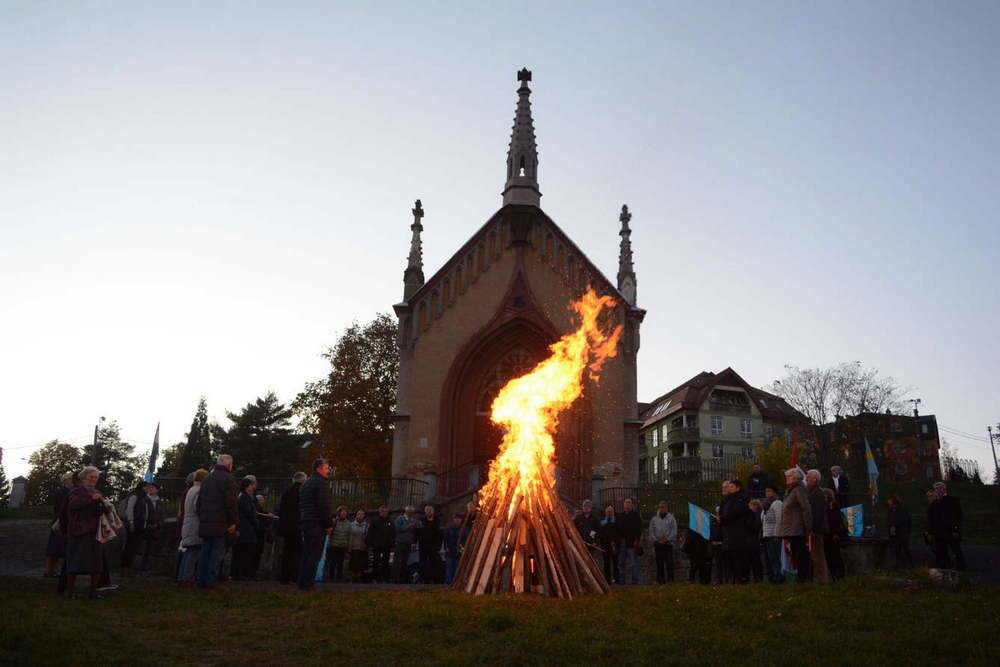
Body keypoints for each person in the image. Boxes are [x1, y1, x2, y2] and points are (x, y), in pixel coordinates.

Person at [65, 466, 110, 599]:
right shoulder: (76, 491)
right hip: (79, 531)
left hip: (94, 532)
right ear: (84, 478)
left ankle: (93, 592)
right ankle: (70, 592)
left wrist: (105, 506)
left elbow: (100, 511)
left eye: (96, 477)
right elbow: (74, 505)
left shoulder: (96, 492)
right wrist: (93, 499)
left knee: (96, 563)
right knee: (74, 562)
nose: (94, 480)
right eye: (91, 477)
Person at [196, 454, 239, 589]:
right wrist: (233, 522)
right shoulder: (229, 479)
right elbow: (230, 502)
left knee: (205, 552)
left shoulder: (207, 478)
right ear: (229, 465)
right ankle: (211, 581)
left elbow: (199, 502)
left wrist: (202, 516)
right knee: (216, 553)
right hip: (220, 522)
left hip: (205, 521)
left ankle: (200, 580)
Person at [298, 458, 333, 590]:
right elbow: (324, 506)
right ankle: (308, 583)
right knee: (314, 554)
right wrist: (328, 524)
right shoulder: (321, 484)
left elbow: (302, 504)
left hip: (306, 521)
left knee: (306, 553)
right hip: (317, 523)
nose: (328, 471)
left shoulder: (306, 483)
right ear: (319, 468)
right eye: (326, 468)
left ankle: (302, 581)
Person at [778, 468, 812, 583]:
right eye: (786, 476)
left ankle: (805, 578)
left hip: (797, 528)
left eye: (790, 476)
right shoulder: (790, 491)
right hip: (790, 529)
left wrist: (808, 527)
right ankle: (801, 578)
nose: (787, 478)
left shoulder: (798, 490)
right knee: (796, 555)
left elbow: (805, 508)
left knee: (801, 554)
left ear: (797, 477)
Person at [177, 468, 208, 587]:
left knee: (188, 552)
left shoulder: (191, 490)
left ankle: (181, 577)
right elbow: (197, 507)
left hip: (188, 523)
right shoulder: (199, 491)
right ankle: (187, 578)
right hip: (195, 524)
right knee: (193, 553)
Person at [719, 480, 751, 584]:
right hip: (730, 532)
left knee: (740, 557)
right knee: (733, 557)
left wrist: (724, 517)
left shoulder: (741, 498)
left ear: (738, 488)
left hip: (739, 532)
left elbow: (735, 511)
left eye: (731, 486)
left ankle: (742, 578)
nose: (729, 488)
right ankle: (735, 579)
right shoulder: (729, 499)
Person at [928, 481, 965, 570]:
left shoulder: (953, 500)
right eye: (936, 489)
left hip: (951, 531)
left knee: (956, 552)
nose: (938, 490)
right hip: (939, 533)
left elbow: (958, 516)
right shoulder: (934, 503)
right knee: (942, 553)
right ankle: (946, 570)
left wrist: (955, 529)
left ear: (945, 489)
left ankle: (961, 570)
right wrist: (930, 532)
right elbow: (931, 519)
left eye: (940, 488)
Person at [277, 472, 305, 584]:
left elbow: (282, 509)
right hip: (297, 526)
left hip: (286, 527)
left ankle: (284, 576)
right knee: (297, 552)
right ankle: (294, 575)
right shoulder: (302, 492)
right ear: (303, 481)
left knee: (286, 551)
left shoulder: (286, 492)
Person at [44, 472, 74, 578]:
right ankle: (49, 571)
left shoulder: (67, 492)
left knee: (56, 548)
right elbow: (61, 508)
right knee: (53, 549)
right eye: (71, 479)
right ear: (66, 481)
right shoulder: (63, 492)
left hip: (61, 521)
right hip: (60, 522)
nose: (73, 481)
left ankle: (51, 571)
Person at [120, 482, 150, 578]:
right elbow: (130, 509)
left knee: (134, 547)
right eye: (146, 487)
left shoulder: (144, 497)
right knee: (129, 547)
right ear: (142, 487)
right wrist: (131, 522)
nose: (148, 489)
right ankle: (124, 569)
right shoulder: (135, 496)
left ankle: (129, 568)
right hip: (134, 524)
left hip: (140, 525)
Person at [805, 469, 830, 584]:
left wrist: (812, 528)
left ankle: (821, 579)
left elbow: (818, 513)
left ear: (815, 479)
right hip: (813, 529)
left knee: (818, 555)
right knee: (814, 556)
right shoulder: (811, 492)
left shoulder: (818, 493)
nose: (806, 479)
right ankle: (818, 578)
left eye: (808, 477)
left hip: (816, 530)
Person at [232, 477, 259, 580]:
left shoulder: (243, 497)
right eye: (251, 485)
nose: (253, 487)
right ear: (247, 486)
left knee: (241, 552)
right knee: (243, 552)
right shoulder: (244, 498)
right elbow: (249, 513)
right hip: (245, 529)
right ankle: (240, 574)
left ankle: (239, 573)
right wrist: (255, 521)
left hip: (245, 528)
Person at [648, 501, 677, 584]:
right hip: (658, 544)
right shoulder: (654, 519)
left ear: (667, 508)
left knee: (669, 563)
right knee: (659, 564)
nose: (662, 509)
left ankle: (670, 580)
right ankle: (660, 580)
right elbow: (651, 531)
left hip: (668, 544)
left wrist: (667, 539)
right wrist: (656, 540)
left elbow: (674, 531)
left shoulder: (671, 518)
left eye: (663, 507)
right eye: (660, 507)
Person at [616, 498, 642, 585]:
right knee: (621, 563)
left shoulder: (635, 515)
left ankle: (635, 582)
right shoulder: (621, 515)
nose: (627, 505)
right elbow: (618, 529)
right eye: (626, 503)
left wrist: (637, 539)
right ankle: (622, 581)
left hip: (632, 542)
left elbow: (639, 528)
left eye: (629, 503)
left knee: (634, 563)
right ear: (623, 505)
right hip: (622, 542)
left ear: (631, 505)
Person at [138, 482, 163, 572]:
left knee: (153, 549)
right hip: (146, 528)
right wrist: (146, 524)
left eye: (153, 488)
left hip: (156, 528)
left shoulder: (159, 502)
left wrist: (158, 524)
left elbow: (161, 515)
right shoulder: (144, 500)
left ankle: (150, 568)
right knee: (145, 548)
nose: (150, 489)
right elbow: (141, 513)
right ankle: (142, 567)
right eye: (149, 488)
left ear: (157, 490)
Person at [761, 486, 784, 583]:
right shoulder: (766, 504)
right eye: (766, 491)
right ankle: (772, 577)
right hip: (766, 535)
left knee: (775, 558)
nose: (767, 493)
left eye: (769, 490)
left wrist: (777, 534)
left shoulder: (777, 503)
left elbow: (779, 519)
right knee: (769, 558)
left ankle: (777, 577)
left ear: (775, 492)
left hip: (774, 535)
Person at [823, 488, 846, 581]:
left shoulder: (833, 505)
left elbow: (836, 520)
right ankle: (833, 574)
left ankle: (839, 574)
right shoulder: (825, 506)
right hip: (827, 534)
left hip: (833, 534)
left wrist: (836, 533)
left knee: (835, 555)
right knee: (828, 556)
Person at [417, 504, 444, 584]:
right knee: (423, 562)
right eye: (427, 510)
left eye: (430, 510)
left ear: (433, 511)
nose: (429, 511)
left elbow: (440, 534)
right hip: (423, 545)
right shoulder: (421, 521)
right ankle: (422, 579)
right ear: (425, 511)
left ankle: (434, 579)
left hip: (434, 545)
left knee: (434, 562)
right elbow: (417, 532)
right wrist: (416, 542)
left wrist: (438, 545)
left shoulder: (438, 521)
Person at [393, 506, 420, 584]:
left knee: (405, 561)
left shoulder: (413, 520)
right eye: (409, 512)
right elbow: (397, 529)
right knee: (398, 561)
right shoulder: (400, 519)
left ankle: (403, 578)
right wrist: (409, 526)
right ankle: (396, 578)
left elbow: (417, 530)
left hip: (409, 543)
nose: (411, 514)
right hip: (400, 542)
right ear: (406, 511)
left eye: (412, 512)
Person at [367, 506, 394, 582]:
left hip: (387, 546)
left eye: (386, 511)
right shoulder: (375, 522)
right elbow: (370, 533)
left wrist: (392, 544)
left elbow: (393, 534)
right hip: (377, 545)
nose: (384, 513)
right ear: (380, 512)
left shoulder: (390, 522)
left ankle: (385, 578)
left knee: (385, 562)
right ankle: (375, 578)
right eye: (383, 511)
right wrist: (371, 544)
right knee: (376, 562)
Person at [326, 506, 351, 582]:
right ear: (339, 513)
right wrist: (329, 544)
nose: (343, 513)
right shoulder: (334, 521)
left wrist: (348, 547)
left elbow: (349, 535)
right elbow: (329, 534)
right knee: (332, 562)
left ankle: (339, 578)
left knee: (340, 563)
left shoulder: (348, 523)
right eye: (342, 511)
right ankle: (331, 577)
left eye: (345, 512)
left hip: (343, 545)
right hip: (334, 545)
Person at [887, 495, 912, 570]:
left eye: (890, 501)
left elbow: (904, 522)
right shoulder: (891, 510)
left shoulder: (902, 510)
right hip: (894, 536)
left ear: (894, 502)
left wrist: (895, 527)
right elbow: (890, 521)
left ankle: (909, 567)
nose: (888, 503)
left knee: (905, 552)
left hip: (902, 535)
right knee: (897, 552)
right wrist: (891, 528)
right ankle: (898, 568)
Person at [597, 504, 620, 584]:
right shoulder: (602, 521)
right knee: (606, 563)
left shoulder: (617, 521)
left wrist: (615, 542)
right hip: (605, 545)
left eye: (611, 511)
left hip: (614, 545)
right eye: (608, 511)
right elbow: (599, 532)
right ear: (606, 512)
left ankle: (617, 580)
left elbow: (619, 532)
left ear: (613, 512)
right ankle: (608, 580)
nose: (609, 512)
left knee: (615, 563)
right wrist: (601, 541)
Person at [347, 509, 369, 583]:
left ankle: (359, 579)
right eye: (359, 514)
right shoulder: (351, 525)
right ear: (356, 515)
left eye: (362, 514)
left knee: (361, 565)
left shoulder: (367, 525)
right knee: (353, 564)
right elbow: (349, 536)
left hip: (363, 547)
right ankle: (353, 578)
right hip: (353, 547)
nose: (360, 515)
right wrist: (349, 547)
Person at [748, 499, 764, 583]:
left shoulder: (755, 515)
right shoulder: (758, 514)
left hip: (755, 541)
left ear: (755, 506)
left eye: (750, 506)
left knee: (756, 561)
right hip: (755, 540)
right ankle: (757, 578)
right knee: (756, 561)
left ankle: (758, 578)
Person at [443, 514, 463, 585]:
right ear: (453, 520)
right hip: (450, 549)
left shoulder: (464, 528)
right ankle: (449, 581)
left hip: (459, 550)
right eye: (456, 519)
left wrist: (462, 547)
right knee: (449, 565)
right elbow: (445, 539)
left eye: (459, 518)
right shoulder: (449, 528)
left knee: (457, 566)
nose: (457, 520)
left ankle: (456, 581)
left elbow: (465, 538)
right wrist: (446, 547)